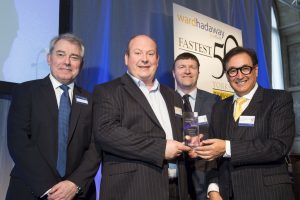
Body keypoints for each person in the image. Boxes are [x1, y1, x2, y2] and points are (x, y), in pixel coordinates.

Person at [93, 34, 191, 200]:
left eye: (150, 54)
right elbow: (107, 133)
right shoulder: (108, 91)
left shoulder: (173, 96)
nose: (144, 59)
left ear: (157, 60)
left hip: (175, 188)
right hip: (132, 189)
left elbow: (181, 132)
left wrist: (192, 142)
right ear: (126, 58)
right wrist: (160, 149)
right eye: (138, 53)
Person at [6, 33, 100, 200]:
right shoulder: (26, 92)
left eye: (74, 57)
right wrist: (50, 188)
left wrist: (73, 184)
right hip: (30, 190)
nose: (67, 62)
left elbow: (95, 148)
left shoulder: (91, 100)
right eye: (61, 54)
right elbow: (18, 142)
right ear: (49, 58)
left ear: (81, 64)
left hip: (76, 194)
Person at [194, 47, 295, 200]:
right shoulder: (219, 107)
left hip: (268, 194)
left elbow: (278, 147)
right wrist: (213, 189)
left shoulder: (278, 99)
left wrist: (227, 148)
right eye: (233, 71)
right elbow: (212, 155)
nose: (239, 75)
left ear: (256, 70)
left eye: (245, 69)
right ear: (227, 76)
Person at [172, 52, 220, 200]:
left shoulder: (214, 101)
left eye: (192, 67)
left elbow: (220, 139)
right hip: (175, 181)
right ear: (174, 73)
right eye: (182, 67)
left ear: (198, 72)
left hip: (206, 179)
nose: (187, 71)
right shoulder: (165, 100)